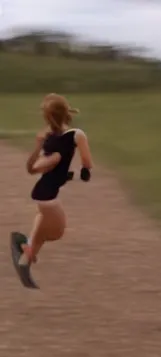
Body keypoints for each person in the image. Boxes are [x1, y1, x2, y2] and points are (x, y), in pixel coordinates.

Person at [16, 93, 93, 267]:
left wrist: (38, 147)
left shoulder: (49, 138)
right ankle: (27, 246)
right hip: (48, 197)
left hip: (42, 192)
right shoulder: (77, 134)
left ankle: (26, 258)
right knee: (56, 232)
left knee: (43, 222)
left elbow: (32, 169)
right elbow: (87, 162)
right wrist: (83, 171)